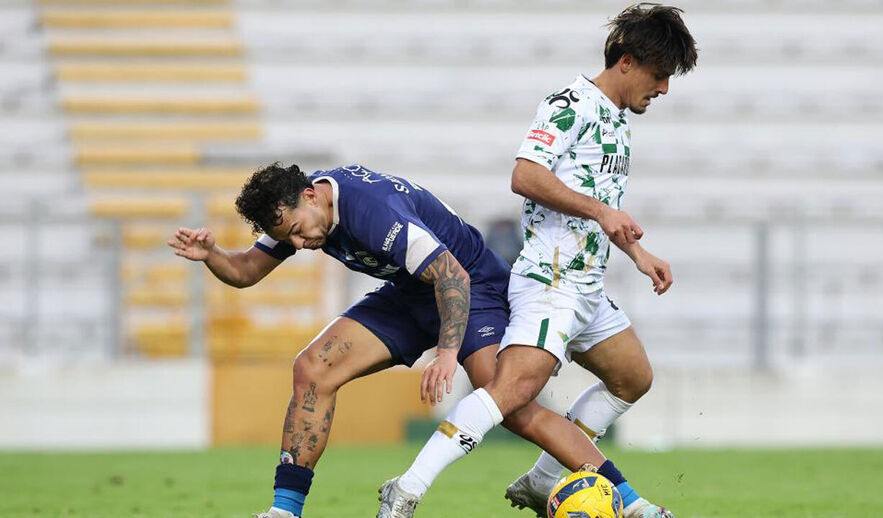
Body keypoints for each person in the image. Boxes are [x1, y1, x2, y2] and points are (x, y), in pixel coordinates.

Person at [378, 4, 697, 518]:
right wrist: (601, 211)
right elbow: (525, 175)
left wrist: (637, 252)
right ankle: (408, 488)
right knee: (510, 393)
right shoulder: (570, 104)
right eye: (659, 76)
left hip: (586, 285)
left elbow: (599, 206)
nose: (663, 89)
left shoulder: (618, 119)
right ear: (628, 62)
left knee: (633, 377)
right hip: (551, 280)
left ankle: (542, 480)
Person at [169, 163, 623, 518]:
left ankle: (626, 496)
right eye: (289, 237)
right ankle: (285, 508)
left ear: (311, 194)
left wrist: (446, 354)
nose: (301, 244)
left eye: (297, 230)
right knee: (312, 368)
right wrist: (211, 255)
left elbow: (451, 275)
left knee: (509, 403)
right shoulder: (301, 212)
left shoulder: (371, 210)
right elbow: (247, 271)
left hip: (472, 288)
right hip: (409, 293)